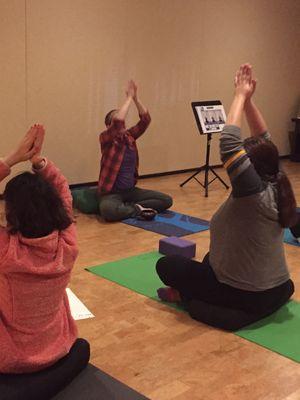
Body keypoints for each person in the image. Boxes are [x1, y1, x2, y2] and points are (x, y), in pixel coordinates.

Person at [156, 64, 297, 330]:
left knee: (167, 266)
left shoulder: (252, 193)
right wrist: (250, 103)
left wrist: (239, 96)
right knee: (210, 260)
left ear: (249, 170)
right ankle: (250, 308)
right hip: (278, 287)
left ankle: (192, 301)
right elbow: (264, 140)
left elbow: (229, 144)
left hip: (246, 292)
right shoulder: (277, 180)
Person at [0, 125, 79, 373]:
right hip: (58, 348)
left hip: (9, 358)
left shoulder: (6, 250)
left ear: (12, 214)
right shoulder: (68, 243)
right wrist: (39, 162)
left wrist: (13, 158)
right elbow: (64, 191)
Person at [98, 80, 173, 222]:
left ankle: (130, 208)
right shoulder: (106, 138)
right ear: (108, 125)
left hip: (130, 192)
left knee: (166, 200)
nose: (123, 123)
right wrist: (128, 98)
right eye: (117, 122)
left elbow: (145, 119)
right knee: (109, 211)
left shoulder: (129, 136)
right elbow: (118, 122)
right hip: (111, 193)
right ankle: (135, 209)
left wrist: (136, 98)